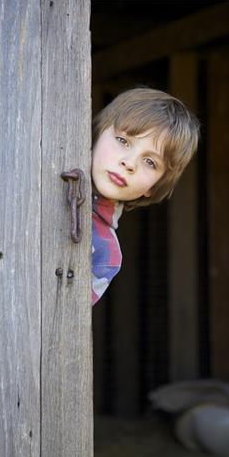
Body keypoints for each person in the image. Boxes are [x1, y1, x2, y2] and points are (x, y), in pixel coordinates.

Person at [91, 87, 200, 305]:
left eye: (150, 162)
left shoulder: (105, 255)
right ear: (97, 134)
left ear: (153, 186)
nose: (129, 163)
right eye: (123, 141)